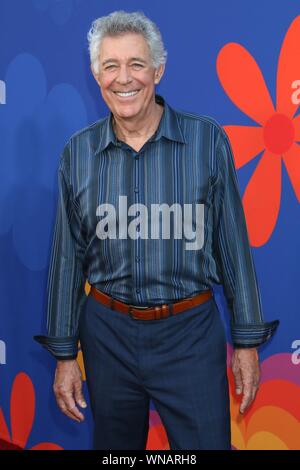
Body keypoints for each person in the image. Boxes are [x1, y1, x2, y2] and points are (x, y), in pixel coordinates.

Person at [34, 10, 279, 450]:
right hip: (106, 336)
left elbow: (233, 246)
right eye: (110, 66)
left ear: (158, 70)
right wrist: (65, 354)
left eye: (136, 64)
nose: (123, 78)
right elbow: (67, 259)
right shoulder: (78, 154)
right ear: (95, 74)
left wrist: (246, 341)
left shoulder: (207, 141)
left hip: (190, 334)